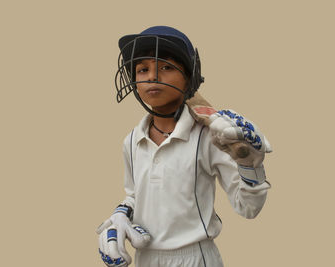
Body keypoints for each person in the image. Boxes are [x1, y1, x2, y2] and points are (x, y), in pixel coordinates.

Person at [96, 25, 272, 267]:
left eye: (166, 67)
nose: (152, 76)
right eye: (142, 69)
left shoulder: (211, 137)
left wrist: (249, 164)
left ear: (189, 77)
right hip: (145, 258)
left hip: (194, 257)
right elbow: (136, 195)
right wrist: (120, 216)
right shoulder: (132, 140)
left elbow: (248, 207)